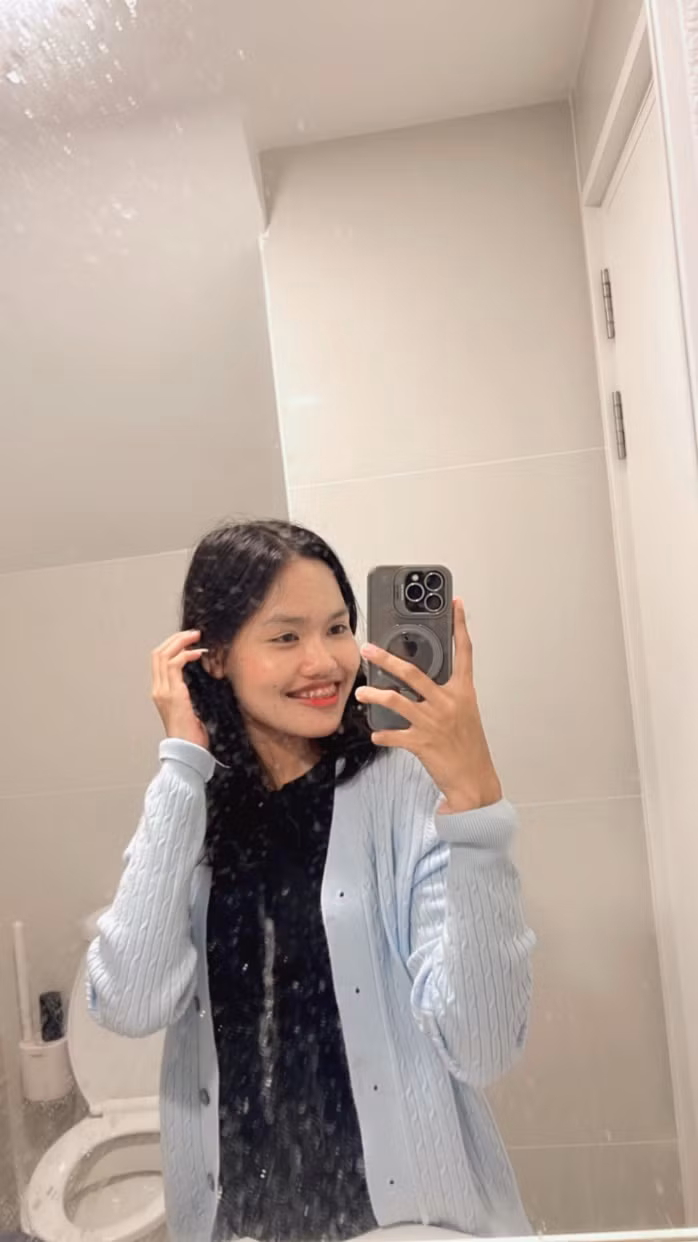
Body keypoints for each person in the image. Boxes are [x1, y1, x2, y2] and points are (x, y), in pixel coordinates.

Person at [87, 519, 535, 1242]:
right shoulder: (192, 804)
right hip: (238, 1225)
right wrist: (180, 764)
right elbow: (128, 1004)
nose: (324, 661)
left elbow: (482, 1047)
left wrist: (476, 803)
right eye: (286, 636)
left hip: (402, 1225)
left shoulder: (401, 787)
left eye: (337, 628)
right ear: (215, 655)